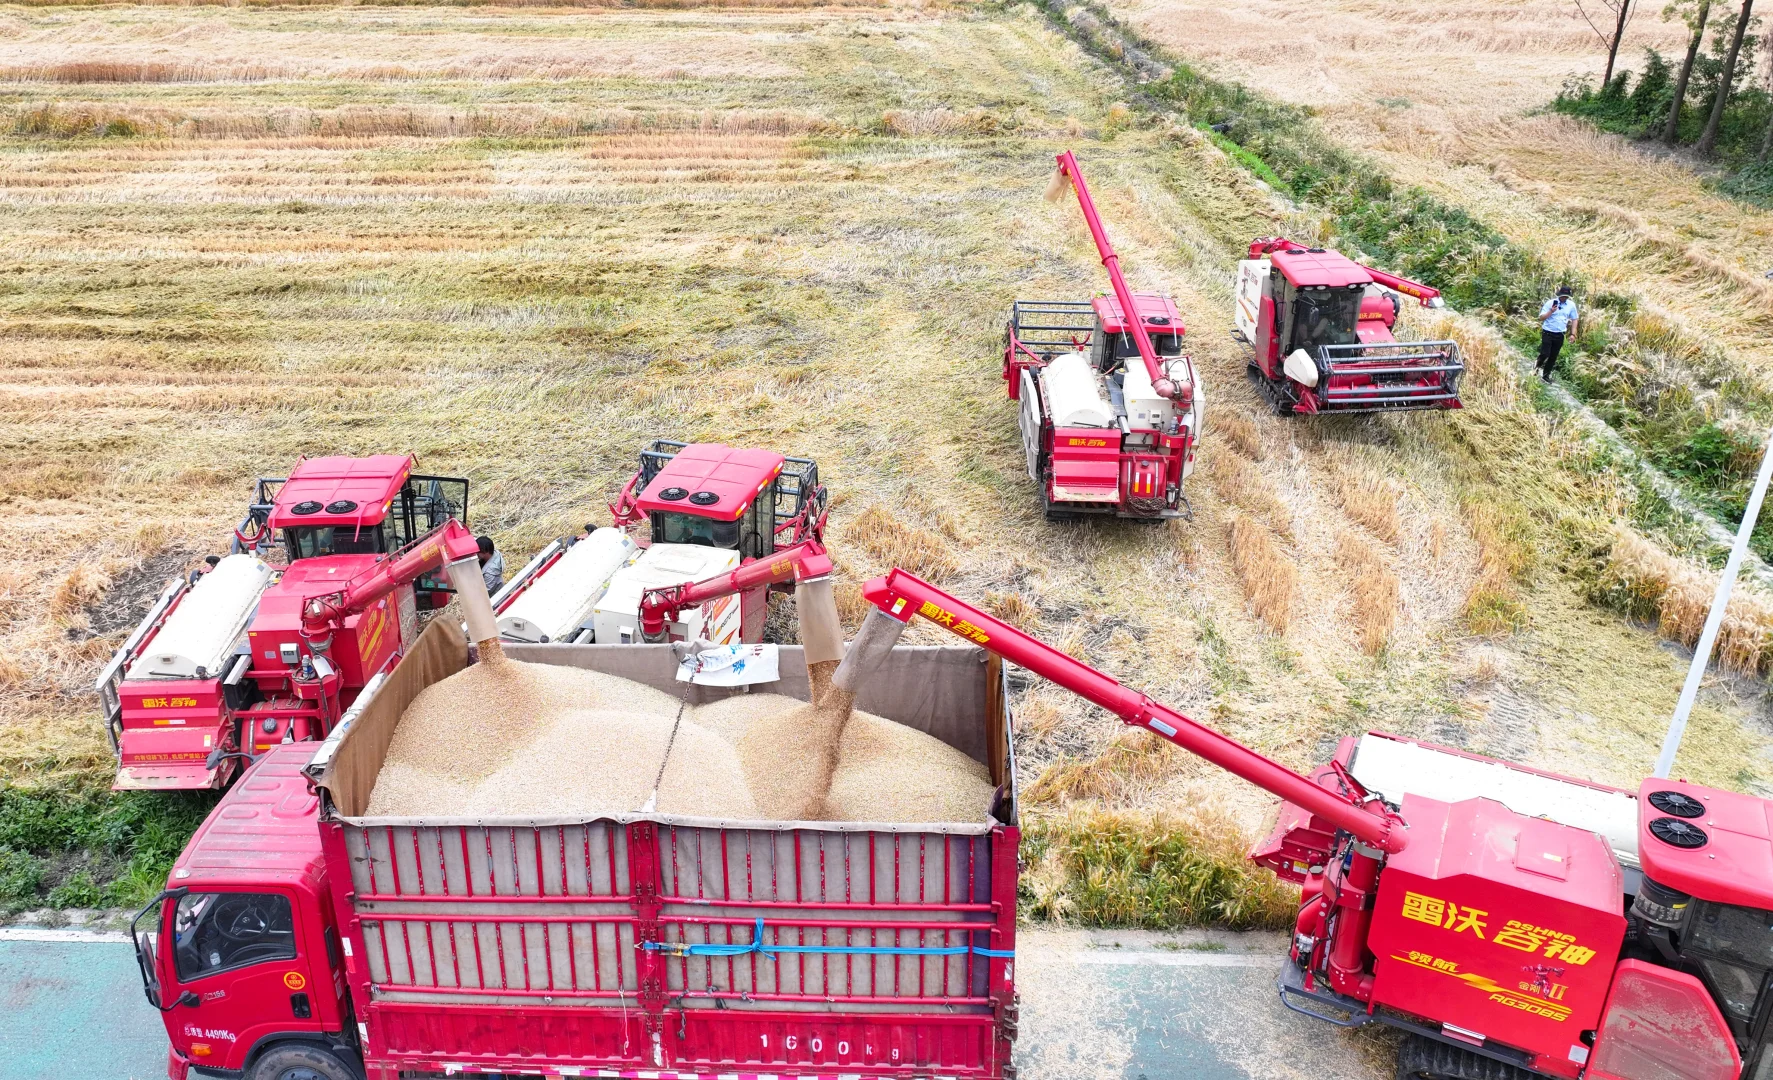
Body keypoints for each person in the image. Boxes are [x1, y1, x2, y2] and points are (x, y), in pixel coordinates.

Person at [1536, 285, 1579, 381]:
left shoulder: (1571, 305)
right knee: (1545, 354)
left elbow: (1575, 319)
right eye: (1563, 296)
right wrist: (1551, 311)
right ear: (1559, 295)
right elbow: (1541, 318)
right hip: (1547, 332)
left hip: (1560, 334)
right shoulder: (1550, 303)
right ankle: (1536, 368)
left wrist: (1573, 334)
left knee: (1553, 356)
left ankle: (1546, 375)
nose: (1564, 298)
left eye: (1566, 296)